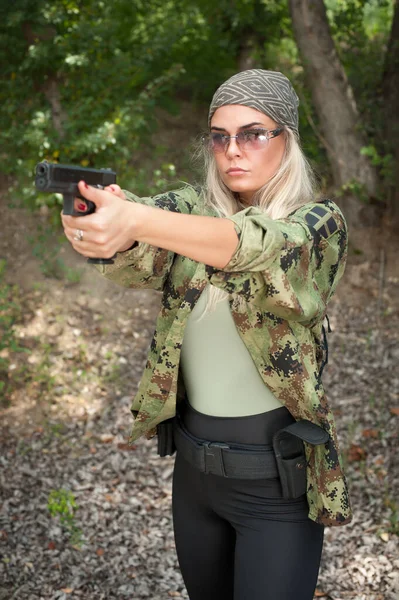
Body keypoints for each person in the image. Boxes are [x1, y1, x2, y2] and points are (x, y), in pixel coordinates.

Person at [61, 69, 352, 600]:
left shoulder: (318, 225)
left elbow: (254, 247)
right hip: (195, 480)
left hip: (274, 486)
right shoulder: (190, 209)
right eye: (220, 136)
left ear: (287, 141)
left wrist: (136, 219)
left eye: (253, 133)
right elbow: (136, 257)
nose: (232, 150)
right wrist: (103, 229)